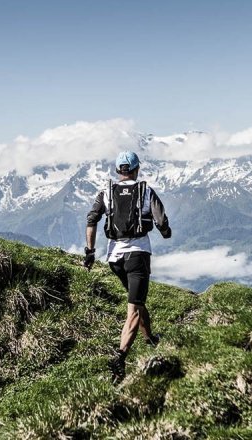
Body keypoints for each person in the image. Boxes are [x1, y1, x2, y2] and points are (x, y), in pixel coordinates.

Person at [83, 151, 172, 383]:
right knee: (133, 308)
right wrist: (165, 232)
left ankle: (150, 338)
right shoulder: (146, 191)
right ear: (137, 169)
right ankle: (120, 359)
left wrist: (90, 252)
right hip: (138, 255)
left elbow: (91, 220)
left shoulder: (106, 193)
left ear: (117, 171)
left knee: (136, 301)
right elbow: (161, 220)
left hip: (115, 259)